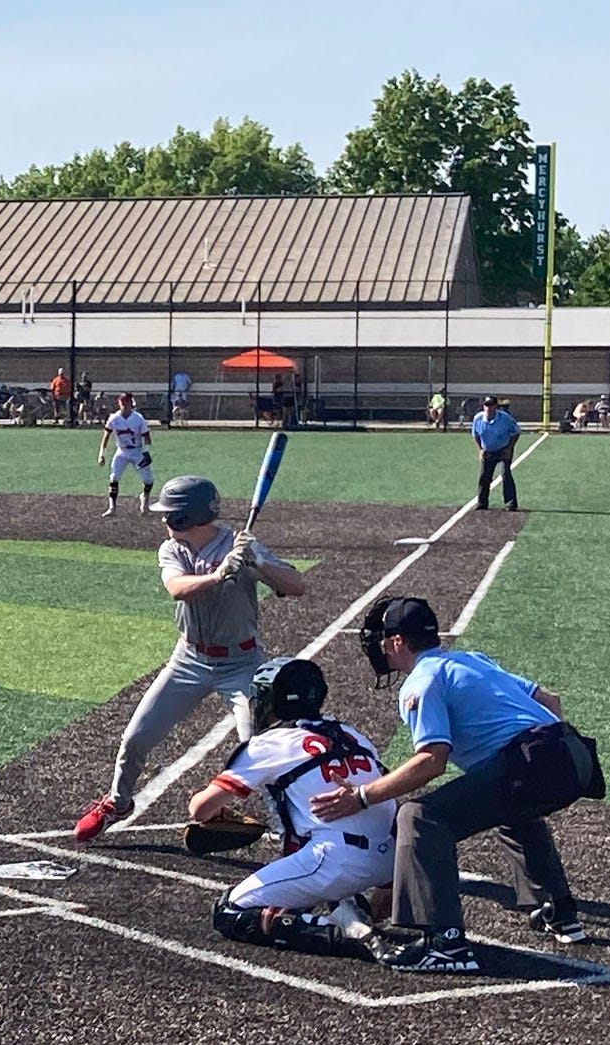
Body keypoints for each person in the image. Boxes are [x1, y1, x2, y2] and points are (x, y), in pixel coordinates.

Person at [315, 597, 604, 972]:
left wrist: (362, 796)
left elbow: (432, 760)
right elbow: (549, 699)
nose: (381, 647)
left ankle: (445, 942)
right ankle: (558, 910)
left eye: (384, 639)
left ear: (398, 642)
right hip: (574, 753)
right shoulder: (471, 659)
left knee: (420, 817)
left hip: (538, 762)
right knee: (514, 808)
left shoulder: (420, 681)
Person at [73, 476, 308, 840]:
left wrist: (259, 561)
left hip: (242, 664)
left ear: (186, 517)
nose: (163, 521)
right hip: (188, 661)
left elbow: (296, 586)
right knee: (136, 737)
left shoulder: (241, 545)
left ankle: (289, 827)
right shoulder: (172, 550)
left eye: (168, 515)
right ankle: (118, 802)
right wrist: (219, 575)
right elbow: (177, 589)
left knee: (257, 749)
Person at [191, 657, 394, 959]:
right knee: (307, 877)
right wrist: (391, 883)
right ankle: (348, 910)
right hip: (391, 858)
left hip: (336, 860)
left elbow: (201, 810)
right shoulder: (354, 735)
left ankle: (343, 935)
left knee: (229, 911)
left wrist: (206, 809)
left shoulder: (270, 743)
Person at [96, 392, 155, 518]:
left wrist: (146, 451)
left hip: (137, 450)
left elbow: (147, 437)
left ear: (130, 403)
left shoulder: (138, 418)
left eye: (126, 403)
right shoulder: (114, 418)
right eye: (121, 403)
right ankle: (112, 507)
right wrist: (102, 454)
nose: (124, 406)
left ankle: (144, 499)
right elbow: (106, 436)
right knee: (114, 477)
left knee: (148, 480)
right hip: (122, 451)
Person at [471, 395, 520, 512]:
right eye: (486, 405)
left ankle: (511, 503)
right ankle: (482, 502)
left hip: (503, 450)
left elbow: (516, 432)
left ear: (495, 407)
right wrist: (480, 450)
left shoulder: (505, 418)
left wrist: (509, 448)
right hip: (488, 451)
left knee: (505, 474)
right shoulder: (478, 419)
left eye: (491, 405)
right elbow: (475, 435)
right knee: (484, 476)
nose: (489, 408)